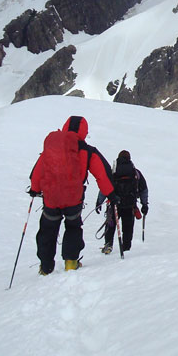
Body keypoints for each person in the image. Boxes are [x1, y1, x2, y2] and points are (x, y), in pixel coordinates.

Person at [28, 115, 119, 274]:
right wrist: (111, 194)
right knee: (73, 228)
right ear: (84, 131)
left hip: (51, 197)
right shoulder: (88, 151)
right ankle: (71, 262)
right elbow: (102, 175)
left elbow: (38, 171)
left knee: (48, 229)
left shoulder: (51, 147)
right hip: (73, 198)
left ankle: (45, 267)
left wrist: (35, 189)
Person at [96, 149, 148, 255]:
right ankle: (126, 247)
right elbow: (143, 189)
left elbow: (105, 187)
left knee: (111, 225)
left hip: (114, 204)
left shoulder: (113, 172)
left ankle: (108, 245)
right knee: (128, 227)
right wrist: (144, 204)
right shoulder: (135, 173)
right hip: (130, 205)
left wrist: (99, 201)